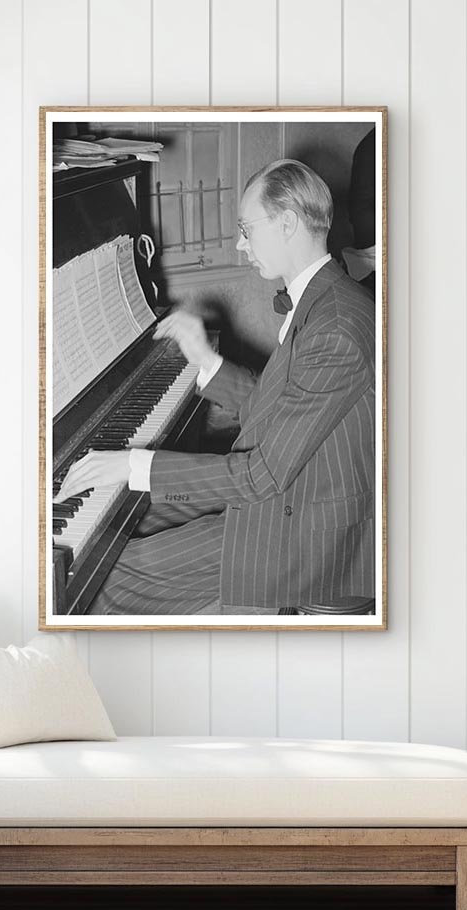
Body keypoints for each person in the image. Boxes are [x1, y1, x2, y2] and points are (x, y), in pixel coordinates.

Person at [57, 158, 376, 614]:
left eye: (247, 229)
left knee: (107, 573)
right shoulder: (326, 299)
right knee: (136, 511)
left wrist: (131, 463)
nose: (239, 243)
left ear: (287, 224)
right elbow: (274, 411)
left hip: (312, 533)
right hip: (297, 491)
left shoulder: (336, 328)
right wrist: (206, 361)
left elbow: (261, 476)